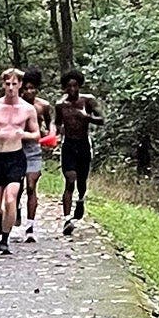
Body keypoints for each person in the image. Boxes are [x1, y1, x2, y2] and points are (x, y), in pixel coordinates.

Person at [0, 67, 40, 254]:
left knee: (11, 198)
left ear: (20, 85)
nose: (11, 88)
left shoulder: (28, 109)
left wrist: (23, 134)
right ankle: (3, 217)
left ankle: (5, 239)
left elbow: (36, 134)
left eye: (14, 84)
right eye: (7, 84)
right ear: (3, 85)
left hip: (16, 157)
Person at [54, 70, 104, 234]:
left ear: (80, 85)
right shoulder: (60, 105)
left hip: (83, 144)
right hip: (68, 144)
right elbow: (57, 124)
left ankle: (81, 199)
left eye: (75, 85)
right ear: (64, 88)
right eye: (69, 86)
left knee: (81, 181)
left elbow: (102, 120)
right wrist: (56, 134)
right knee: (70, 180)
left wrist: (87, 117)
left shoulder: (88, 100)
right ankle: (67, 219)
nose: (72, 89)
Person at [19, 67, 52, 242]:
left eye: (32, 88)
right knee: (16, 186)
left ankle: (30, 226)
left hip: (34, 149)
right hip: (16, 148)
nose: (29, 92)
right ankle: (16, 208)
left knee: (31, 186)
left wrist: (50, 137)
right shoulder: (16, 105)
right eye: (26, 88)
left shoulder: (43, 106)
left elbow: (50, 124)